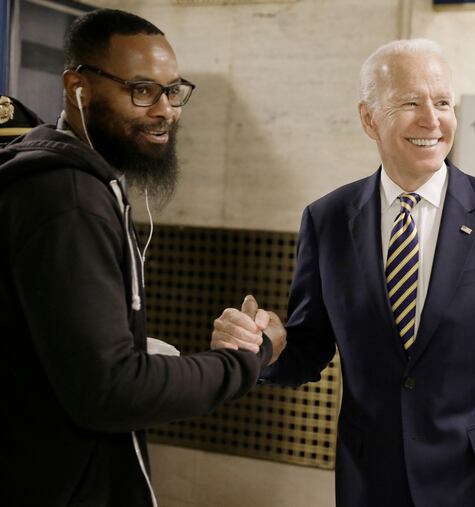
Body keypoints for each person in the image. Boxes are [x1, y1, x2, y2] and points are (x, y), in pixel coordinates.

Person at [259, 39, 475, 506]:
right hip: (369, 482)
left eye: (443, 102)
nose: (432, 120)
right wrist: (269, 345)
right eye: (410, 102)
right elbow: (309, 348)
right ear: (369, 118)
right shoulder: (327, 220)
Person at [0, 9, 284, 507]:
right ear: (77, 87)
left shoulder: (70, 181)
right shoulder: (69, 198)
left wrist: (130, 343)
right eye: (141, 89)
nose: (165, 110)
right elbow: (112, 391)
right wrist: (244, 361)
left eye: (173, 91)